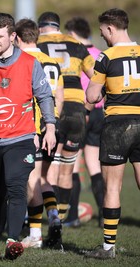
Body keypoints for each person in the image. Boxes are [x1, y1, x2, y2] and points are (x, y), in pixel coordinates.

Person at [0, 13, 56, 260]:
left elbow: (44, 96)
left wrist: (50, 127)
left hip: (20, 137)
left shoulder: (29, 63)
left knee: (16, 187)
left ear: (13, 36)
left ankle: (13, 240)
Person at [85, 8, 140, 260]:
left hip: (117, 125)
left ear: (110, 28)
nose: (103, 36)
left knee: (113, 188)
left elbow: (92, 96)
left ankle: (108, 248)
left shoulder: (106, 56)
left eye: (102, 32)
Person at [37, 11, 95, 221]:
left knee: (47, 168)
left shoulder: (38, 42)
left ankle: (49, 218)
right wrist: (87, 108)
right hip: (77, 108)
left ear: (41, 27)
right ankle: (61, 219)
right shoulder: (76, 43)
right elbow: (97, 77)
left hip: (53, 106)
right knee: (67, 168)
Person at [14, 18, 64, 249]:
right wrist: (52, 124)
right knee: (45, 178)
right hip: (52, 126)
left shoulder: (23, 61)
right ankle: (54, 216)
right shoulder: (53, 62)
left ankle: (34, 234)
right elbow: (59, 98)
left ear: (17, 37)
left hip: (32, 127)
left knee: (32, 180)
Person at [64, 17, 104, 228]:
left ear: (72, 34)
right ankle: (105, 214)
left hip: (81, 111)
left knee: (72, 166)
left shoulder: (75, 55)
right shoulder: (99, 53)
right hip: (99, 113)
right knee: (94, 165)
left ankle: (72, 217)